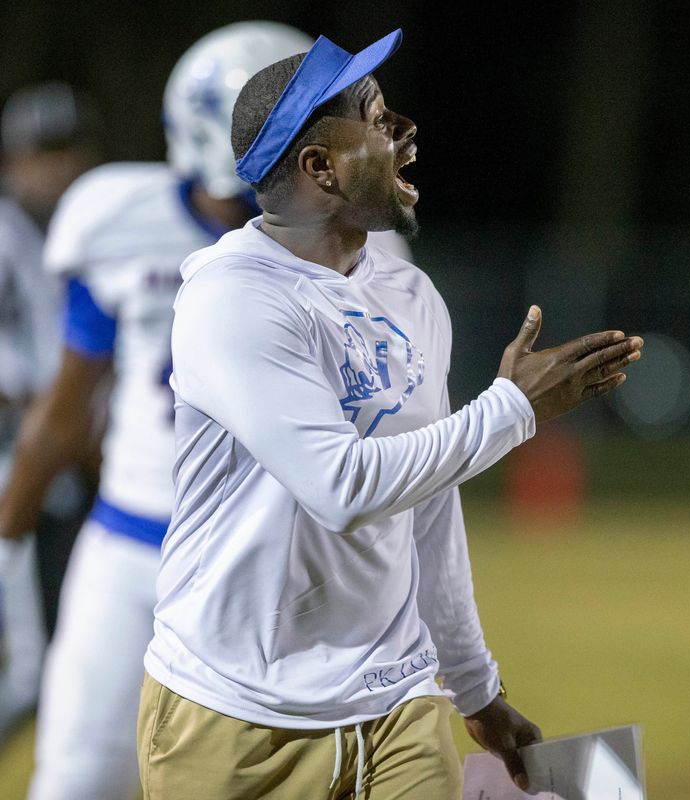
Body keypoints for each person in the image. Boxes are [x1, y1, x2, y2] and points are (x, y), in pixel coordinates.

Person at [137, 28, 644, 800]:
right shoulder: (233, 296)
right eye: (376, 120)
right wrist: (513, 408)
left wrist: (473, 686)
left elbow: (427, 505)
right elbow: (342, 488)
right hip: (234, 714)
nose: (403, 135)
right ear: (320, 168)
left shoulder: (408, 294)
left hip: (396, 703)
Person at [0, 22, 396, 800]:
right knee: (77, 782)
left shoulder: (363, 247)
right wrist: (6, 549)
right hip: (129, 553)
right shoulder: (117, 220)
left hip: (277, 573)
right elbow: (64, 410)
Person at [0, 81, 101, 741]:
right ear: (12, 161)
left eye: (68, 151)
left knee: (55, 661)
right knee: (31, 670)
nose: (57, 168)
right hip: (14, 462)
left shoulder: (96, 236)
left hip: (68, 474)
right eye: (42, 152)